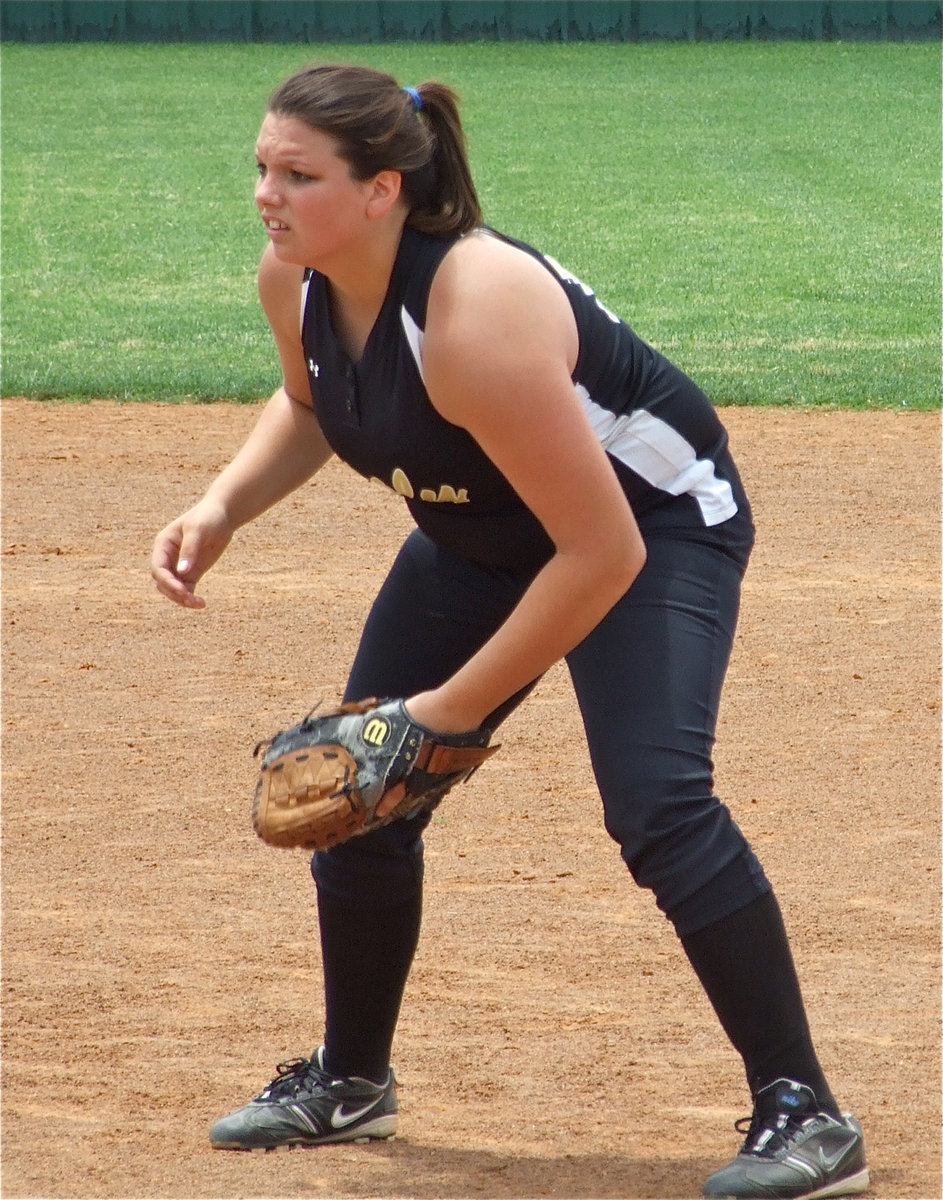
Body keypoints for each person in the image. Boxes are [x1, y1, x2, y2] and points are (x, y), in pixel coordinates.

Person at [150, 63, 868, 1199]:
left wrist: (445, 714)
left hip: (649, 524)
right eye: (261, 167)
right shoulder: (295, 279)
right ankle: (350, 1082)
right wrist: (222, 504)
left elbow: (602, 553)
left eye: (297, 173)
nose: (265, 195)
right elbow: (308, 400)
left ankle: (806, 1114)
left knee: (657, 804)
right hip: (483, 526)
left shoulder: (473, 310)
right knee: (363, 789)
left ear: (383, 188)